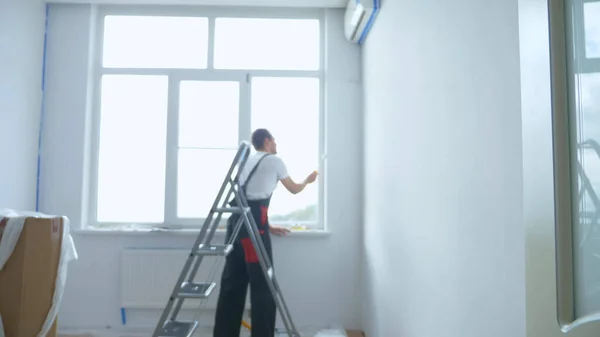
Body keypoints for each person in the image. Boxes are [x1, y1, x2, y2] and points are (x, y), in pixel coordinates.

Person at [213, 128, 318, 337]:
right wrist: (308, 180)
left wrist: (268, 226)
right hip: (253, 229)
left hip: (237, 224)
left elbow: (248, 200)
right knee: (263, 285)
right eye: (275, 141)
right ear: (268, 141)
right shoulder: (274, 161)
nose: (276, 145)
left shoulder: (247, 161)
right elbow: (294, 189)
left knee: (232, 283)